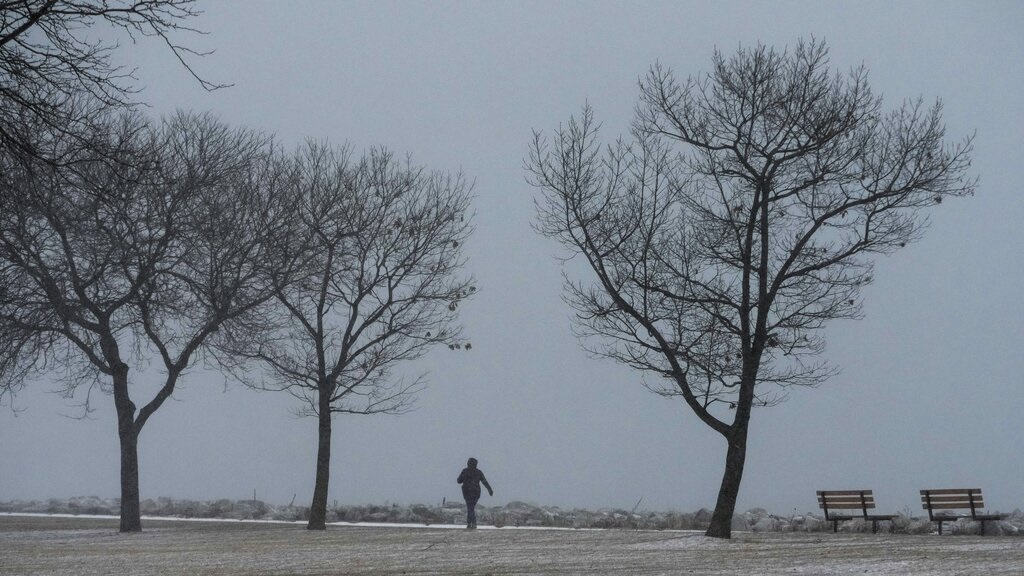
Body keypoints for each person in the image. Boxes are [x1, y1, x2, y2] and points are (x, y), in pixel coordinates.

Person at [456, 457, 493, 529]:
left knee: (470, 507)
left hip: (467, 492)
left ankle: (471, 523)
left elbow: (458, 481)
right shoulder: (478, 472)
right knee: (471, 507)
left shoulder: (465, 471)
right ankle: (471, 523)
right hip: (476, 492)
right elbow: (484, 482)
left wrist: (464, 477)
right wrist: (489, 489)